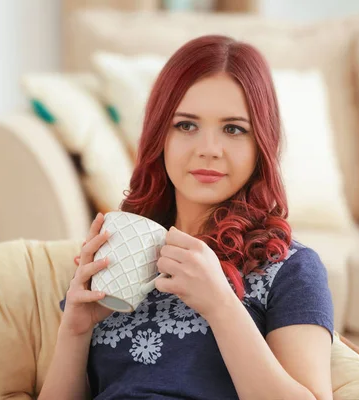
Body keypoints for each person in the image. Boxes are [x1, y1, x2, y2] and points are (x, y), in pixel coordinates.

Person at [39, 35, 334, 400]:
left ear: (261, 144)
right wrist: (75, 330)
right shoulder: (118, 251)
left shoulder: (289, 268)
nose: (208, 150)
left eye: (233, 129)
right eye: (186, 125)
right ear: (159, 136)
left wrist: (221, 305)